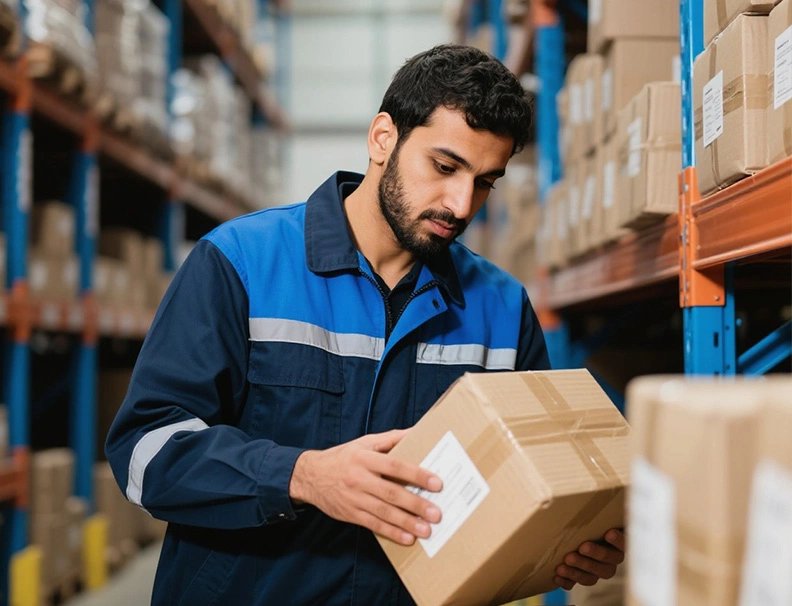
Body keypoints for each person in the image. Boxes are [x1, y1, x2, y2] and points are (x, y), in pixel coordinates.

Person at [105, 44, 625, 605]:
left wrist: (562, 544)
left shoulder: (502, 308)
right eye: (445, 167)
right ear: (383, 138)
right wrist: (300, 476)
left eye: (485, 182)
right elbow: (143, 454)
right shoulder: (241, 264)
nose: (460, 203)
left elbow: (523, 488)